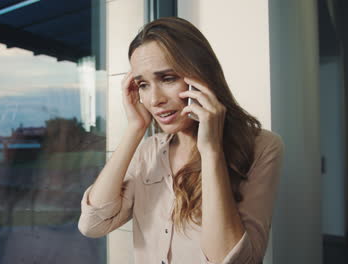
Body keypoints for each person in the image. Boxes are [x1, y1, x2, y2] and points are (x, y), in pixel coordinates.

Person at [78, 17, 284, 264]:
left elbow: (235, 260)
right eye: (143, 84)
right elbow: (92, 225)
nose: (154, 99)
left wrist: (211, 151)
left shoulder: (263, 146)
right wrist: (136, 128)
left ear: (202, 75)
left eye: (167, 78)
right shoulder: (149, 150)